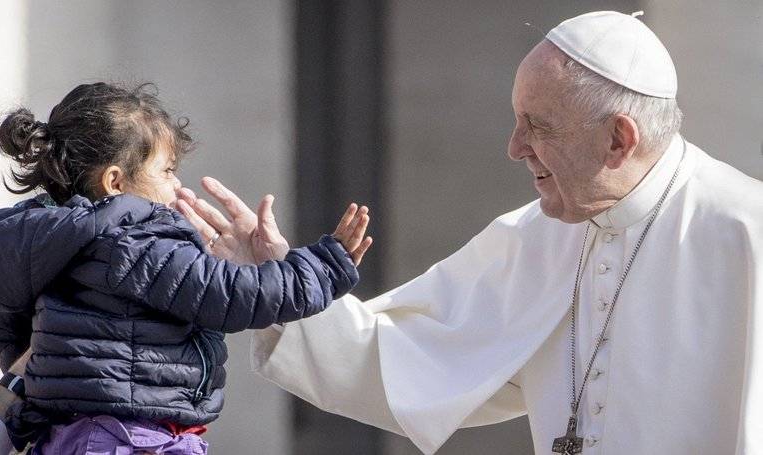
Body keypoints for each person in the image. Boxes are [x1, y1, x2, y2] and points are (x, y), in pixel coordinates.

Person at [176, 11, 763, 455]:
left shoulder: (746, 232)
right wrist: (279, 286)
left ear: (619, 139)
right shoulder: (534, 237)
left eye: (538, 127)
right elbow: (409, 358)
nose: (514, 148)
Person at [0, 82, 373, 453]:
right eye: (167, 171)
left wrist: (65, 381)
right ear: (115, 182)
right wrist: (324, 266)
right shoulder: (137, 243)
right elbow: (233, 294)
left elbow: (10, 326)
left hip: (79, 436)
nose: (177, 186)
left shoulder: (50, 241)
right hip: (131, 439)